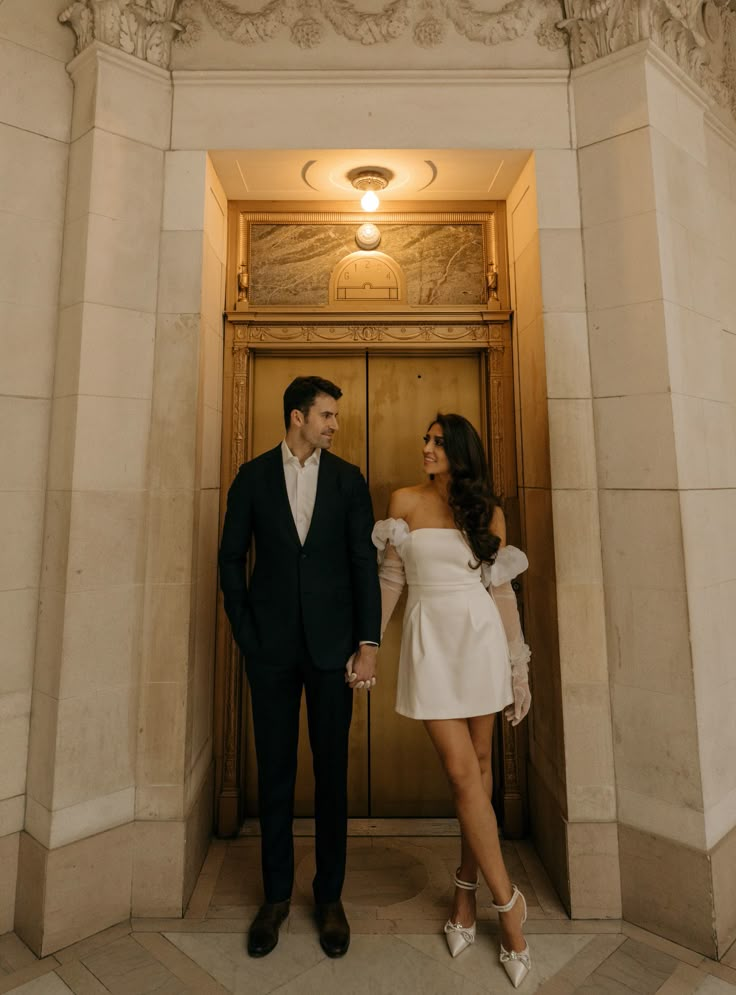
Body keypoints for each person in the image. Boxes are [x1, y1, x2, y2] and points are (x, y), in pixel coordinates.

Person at [218, 375, 381, 959]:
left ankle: (330, 898)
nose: (335, 425)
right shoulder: (253, 476)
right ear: (297, 417)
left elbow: (364, 561)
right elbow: (231, 557)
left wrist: (368, 643)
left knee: (332, 774)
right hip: (271, 653)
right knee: (277, 774)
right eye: (327, 416)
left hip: (333, 652)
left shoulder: (347, 480)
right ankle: (276, 897)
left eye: (334, 417)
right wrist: (247, 633)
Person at [373, 412, 533, 988]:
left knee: (481, 771)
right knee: (463, 774)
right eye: (425, 439)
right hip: (429, 646)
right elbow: (391, 580)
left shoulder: (486, 510)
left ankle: (465, 895)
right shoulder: (403, 501)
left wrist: (519, 669)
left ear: (461, 451)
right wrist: (369, 644)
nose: (427, 447)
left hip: (480, 641)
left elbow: (502, 592)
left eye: (438, 442)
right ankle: (509, 906)